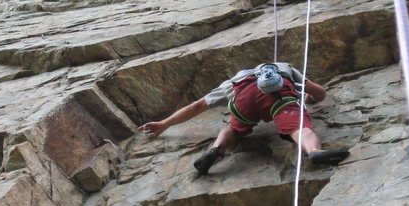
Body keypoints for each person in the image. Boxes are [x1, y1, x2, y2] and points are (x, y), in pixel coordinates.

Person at [139, 62, 349, 175]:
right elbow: (320, 93)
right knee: (299, 127)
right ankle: (314, 152)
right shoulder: (283, 68)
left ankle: (216, 149)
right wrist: (307, 97)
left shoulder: (233, 81)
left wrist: (164, 124)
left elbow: (197, 106)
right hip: (278, 96)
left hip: (243, 100)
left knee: (234, 128)